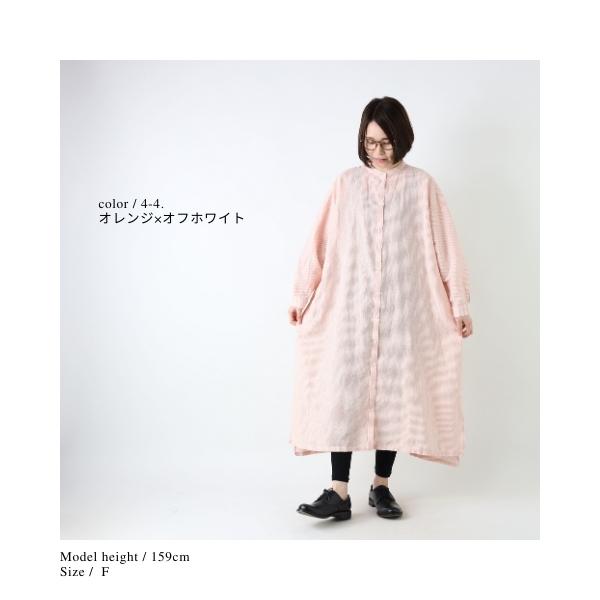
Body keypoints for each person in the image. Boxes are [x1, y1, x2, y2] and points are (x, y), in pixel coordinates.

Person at [288, 97, 473, 521]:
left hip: (405, 312)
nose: (378, 151)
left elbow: (447, 248)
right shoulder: (346, 185)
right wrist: (301, 295)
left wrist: (459, 303)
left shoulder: (422, 186)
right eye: (370, 142)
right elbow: (318, 243)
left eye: (386, 142)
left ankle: (381, 486)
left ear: (402, 139)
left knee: (394, 395)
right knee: (343, 393)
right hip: (349, 312)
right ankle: (338, 492)